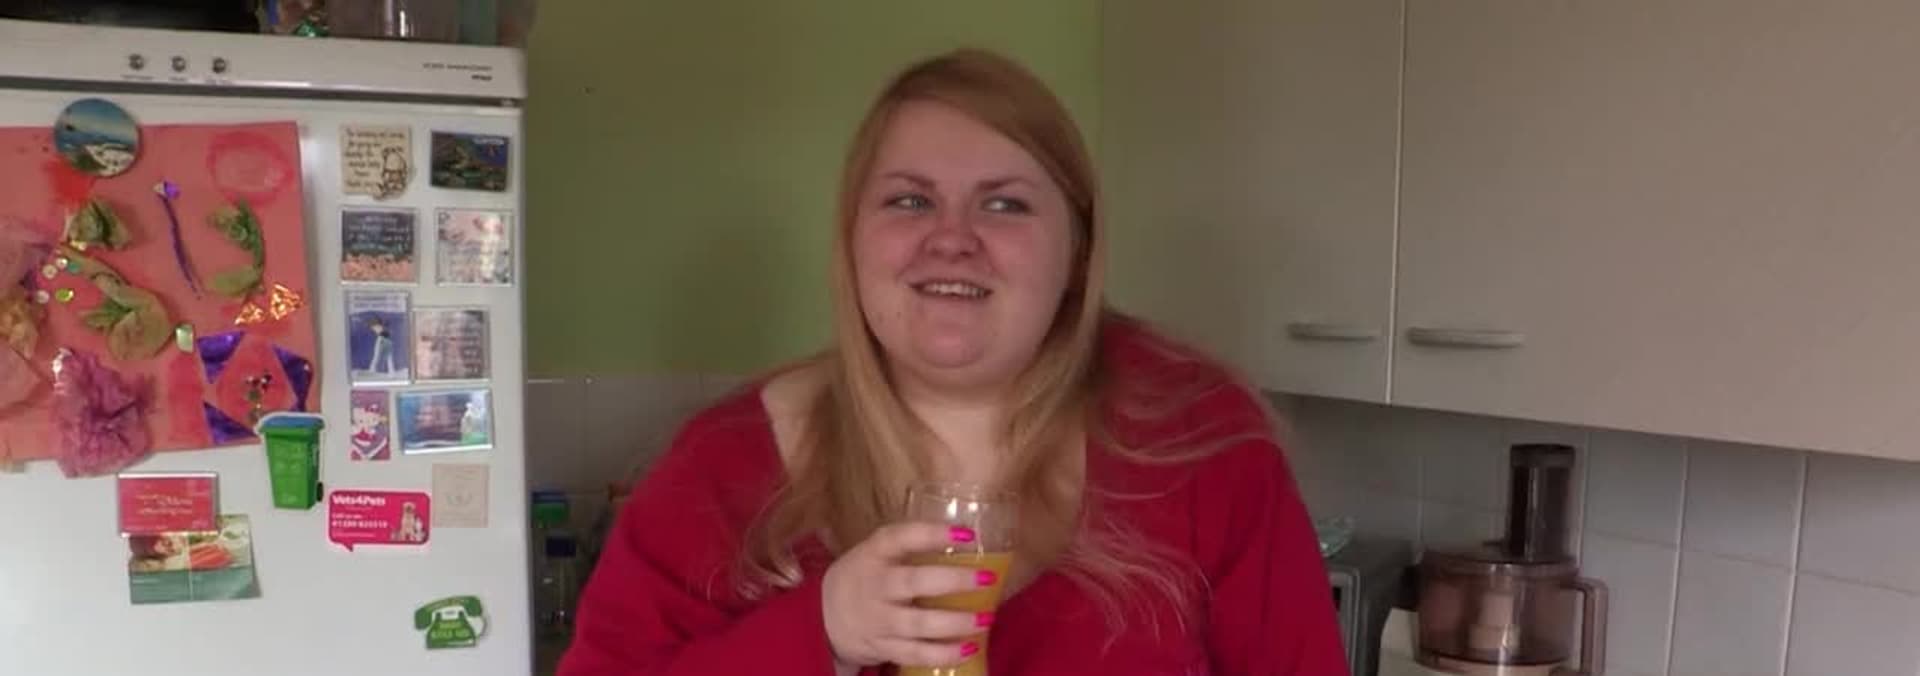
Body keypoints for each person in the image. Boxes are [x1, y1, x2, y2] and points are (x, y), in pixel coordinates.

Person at [557, 48, 1345, 676]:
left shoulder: (1199, 441)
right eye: (910, 199)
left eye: (1005, 203)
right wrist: (819, 634)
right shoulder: (722, 471)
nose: (952, 237)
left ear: (1077, 252)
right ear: (852, 238)